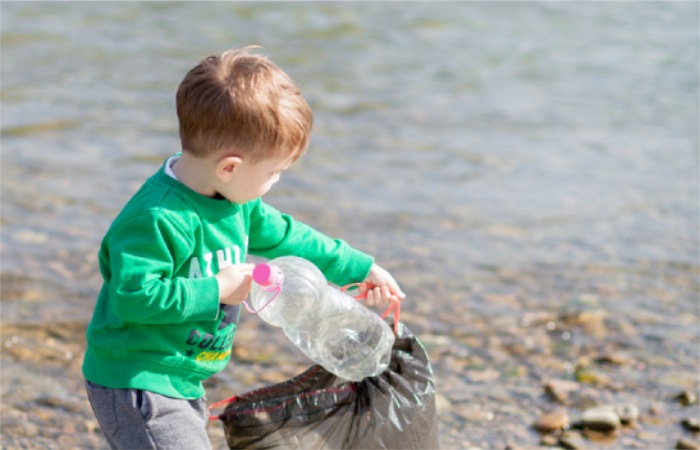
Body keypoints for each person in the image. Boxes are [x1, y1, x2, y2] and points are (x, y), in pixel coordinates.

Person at [81, 45, 405, 450]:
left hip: (182, 375)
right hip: (137, 380)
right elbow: (132, 297)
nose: (277, 183)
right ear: (229, 167)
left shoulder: (236, 202)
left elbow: (290, 236)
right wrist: (215, 289)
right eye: (274, 173)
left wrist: (360, 267)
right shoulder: (157, 218)